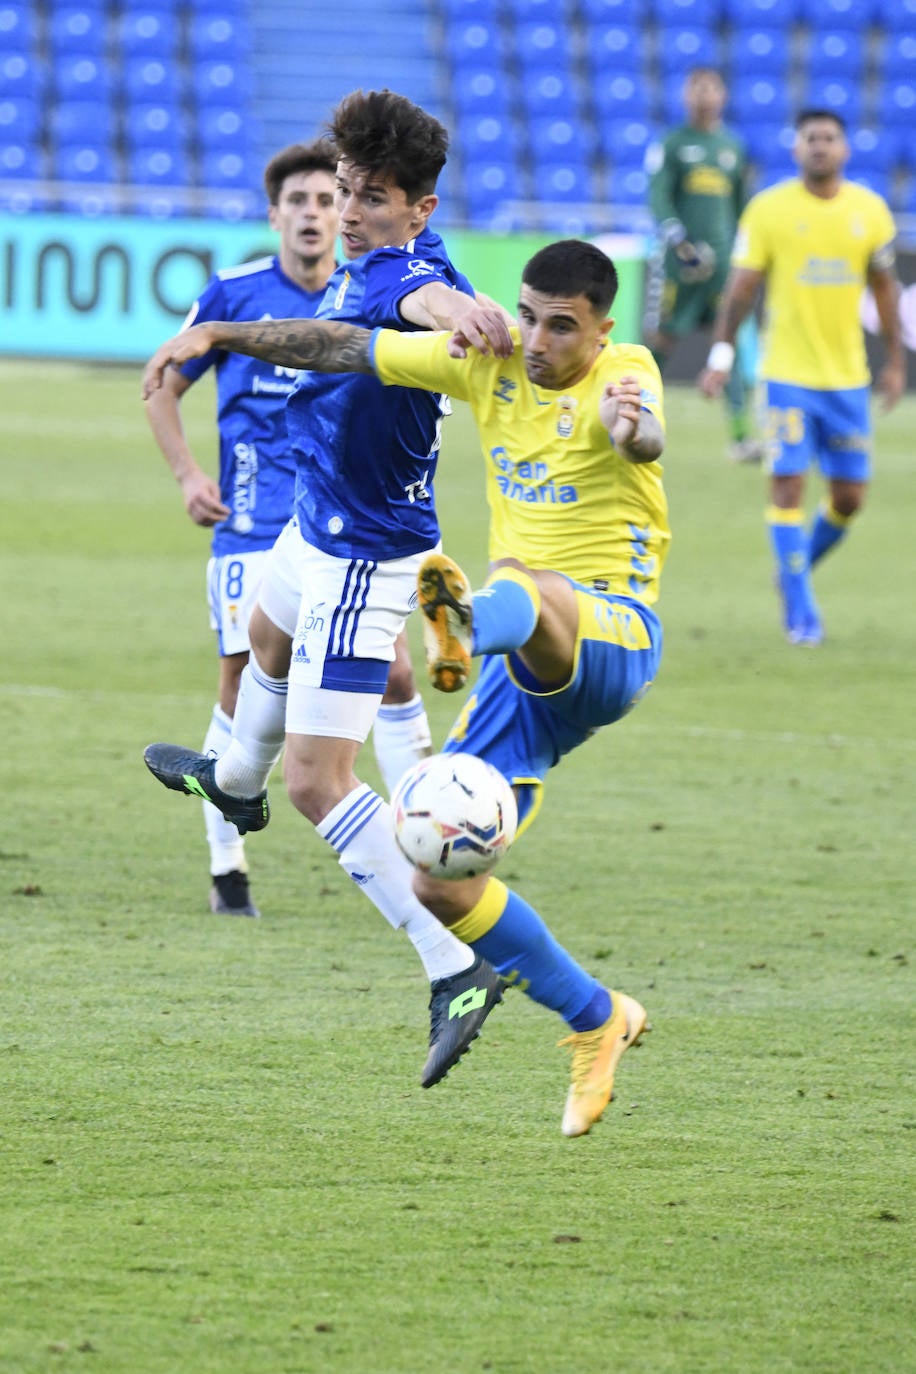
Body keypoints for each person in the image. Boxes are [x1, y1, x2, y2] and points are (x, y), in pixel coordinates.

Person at [143, 238, 669, 1139]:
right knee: (438, 877)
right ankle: (596, 1017)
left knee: (529, 586)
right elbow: (345, 345)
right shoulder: (492, 366)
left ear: (602, 329)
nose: (540, 341)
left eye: (562, 327)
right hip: (520, 687)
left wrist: (633, 430)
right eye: (529, 317)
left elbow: (642, 430)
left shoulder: (627, 370)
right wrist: (221, 334)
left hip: (612, 632)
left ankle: (465, 622)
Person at [141, 88, 515, 1088]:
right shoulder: (378, 256)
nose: (348, 212)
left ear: (419, 210)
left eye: (371, 197)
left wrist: (462, 313)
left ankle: (454, 967)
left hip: (362, 555)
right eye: (345, 190)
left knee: (317, 781)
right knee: (262, 636)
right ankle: (233, 783)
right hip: (312, 525)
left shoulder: (402, 273)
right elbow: (336, 336)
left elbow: (419, 306)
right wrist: (225, 338)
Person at [145, 139, 434, 919]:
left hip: (336, 518)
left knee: (397, 673)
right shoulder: (235, 293)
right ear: (274, 215)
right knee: (243, 675)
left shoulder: (358, 287)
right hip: (250, 523)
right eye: (298, 201)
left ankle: (427, 829)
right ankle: (228, 870)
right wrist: (189, 476)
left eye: (325, 200)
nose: (313, 213)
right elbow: (161, 382)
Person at [699, 108, 905, 645]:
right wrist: (721, 354)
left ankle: (792, 571)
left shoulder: (869, 211)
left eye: (829, 137)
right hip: (786, 375)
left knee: (849, 498)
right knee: (787, 485)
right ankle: (802, 613)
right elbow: (741, 289)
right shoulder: (769, 210)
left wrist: (896, 361)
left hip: (848, 378)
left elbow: (885, 288)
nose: (820, 145)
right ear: (797, 149)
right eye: (811, 138)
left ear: (844, 149)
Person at [644, 66, 762, 463]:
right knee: (661, 341)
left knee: (728, 340)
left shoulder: (733, 146)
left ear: (722, 96)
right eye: (696, 88)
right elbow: (658, 197)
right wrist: (679, 240)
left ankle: (741, 437)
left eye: (711, 88)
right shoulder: (671, 143)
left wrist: (746, 252)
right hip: (680, 263)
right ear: (685, 96)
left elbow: (741, 206)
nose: (703, 96)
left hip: (723, 264)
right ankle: (634, 416)